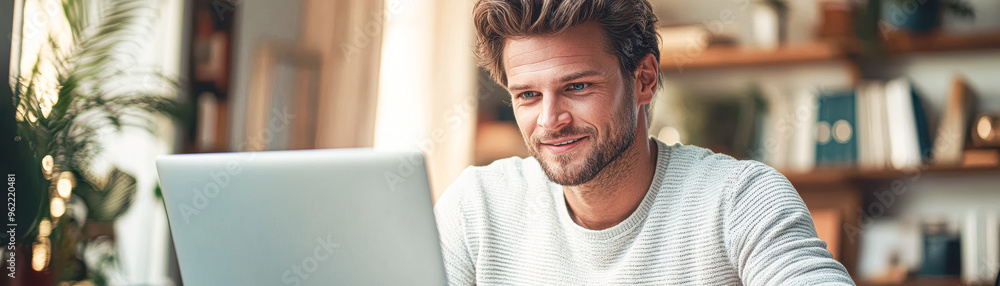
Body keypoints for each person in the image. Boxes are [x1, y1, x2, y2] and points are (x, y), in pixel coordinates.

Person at [433, 0, 855, 284]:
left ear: (644, 80)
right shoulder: (476, 208)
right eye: (527, 95)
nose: (550, 120)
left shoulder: (741, 199)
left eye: (577, 86)